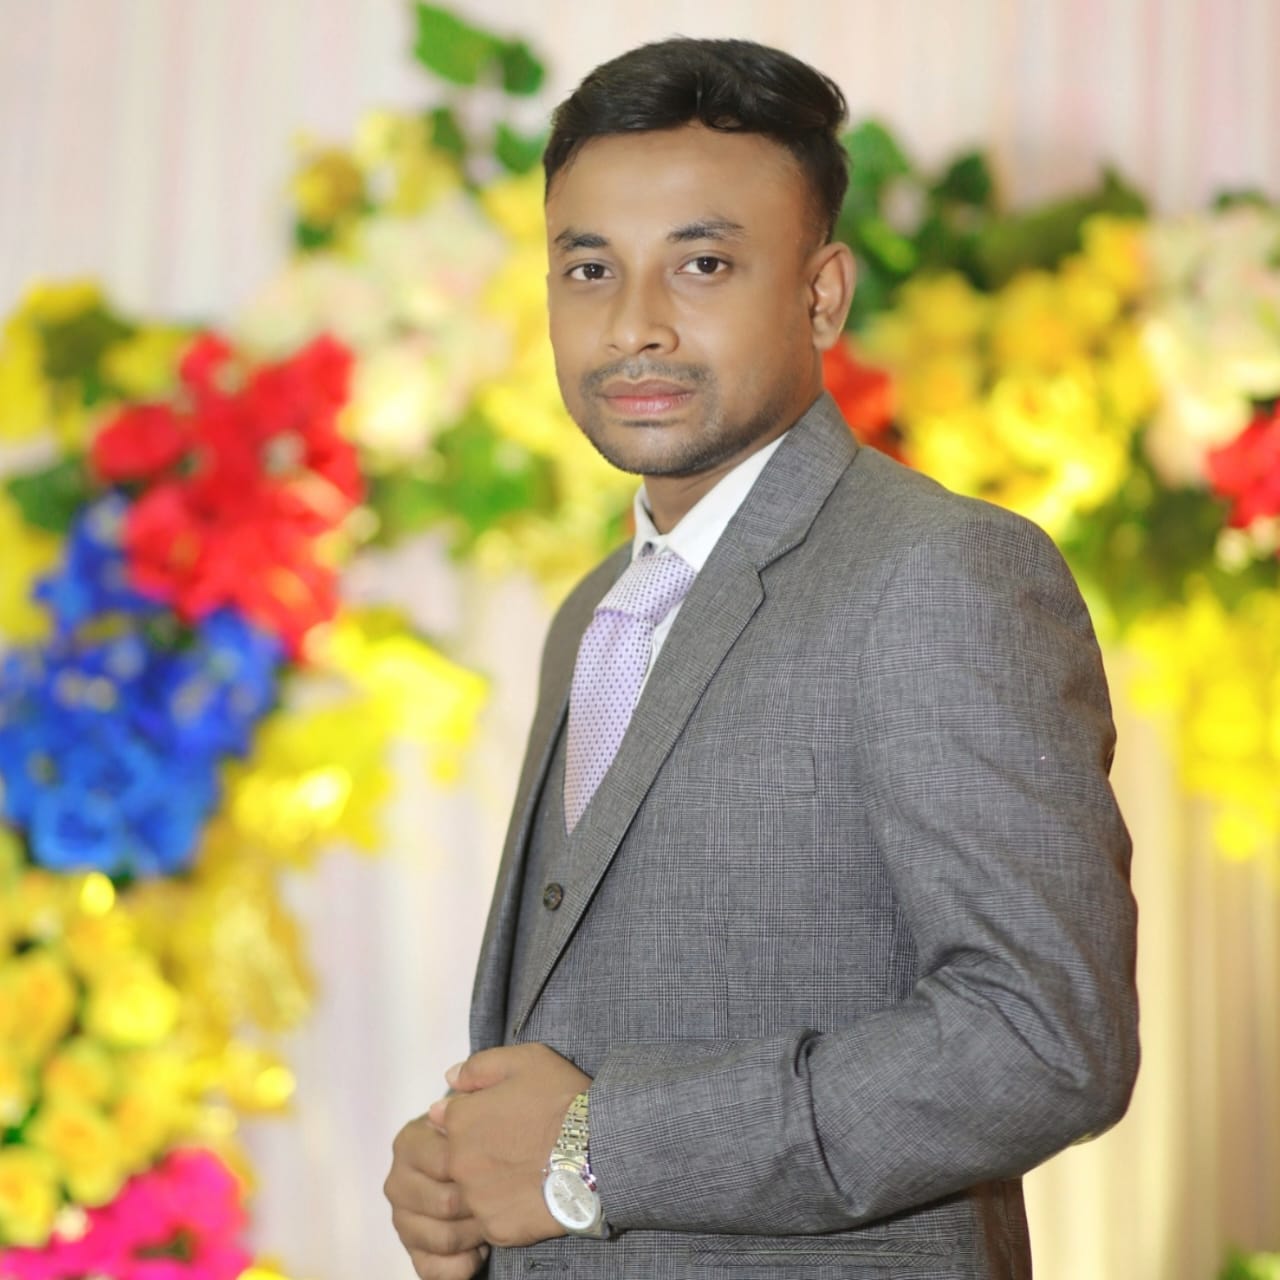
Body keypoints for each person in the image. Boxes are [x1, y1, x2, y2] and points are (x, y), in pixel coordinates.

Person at [384, 36, 1140, 1280]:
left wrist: (592, 1150)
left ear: (820, 294)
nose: (633, 324)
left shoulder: (938, 571)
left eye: (702, 263)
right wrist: (458, 1170)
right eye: (588, 267)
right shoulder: (593, 611)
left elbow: (1042, 1036)